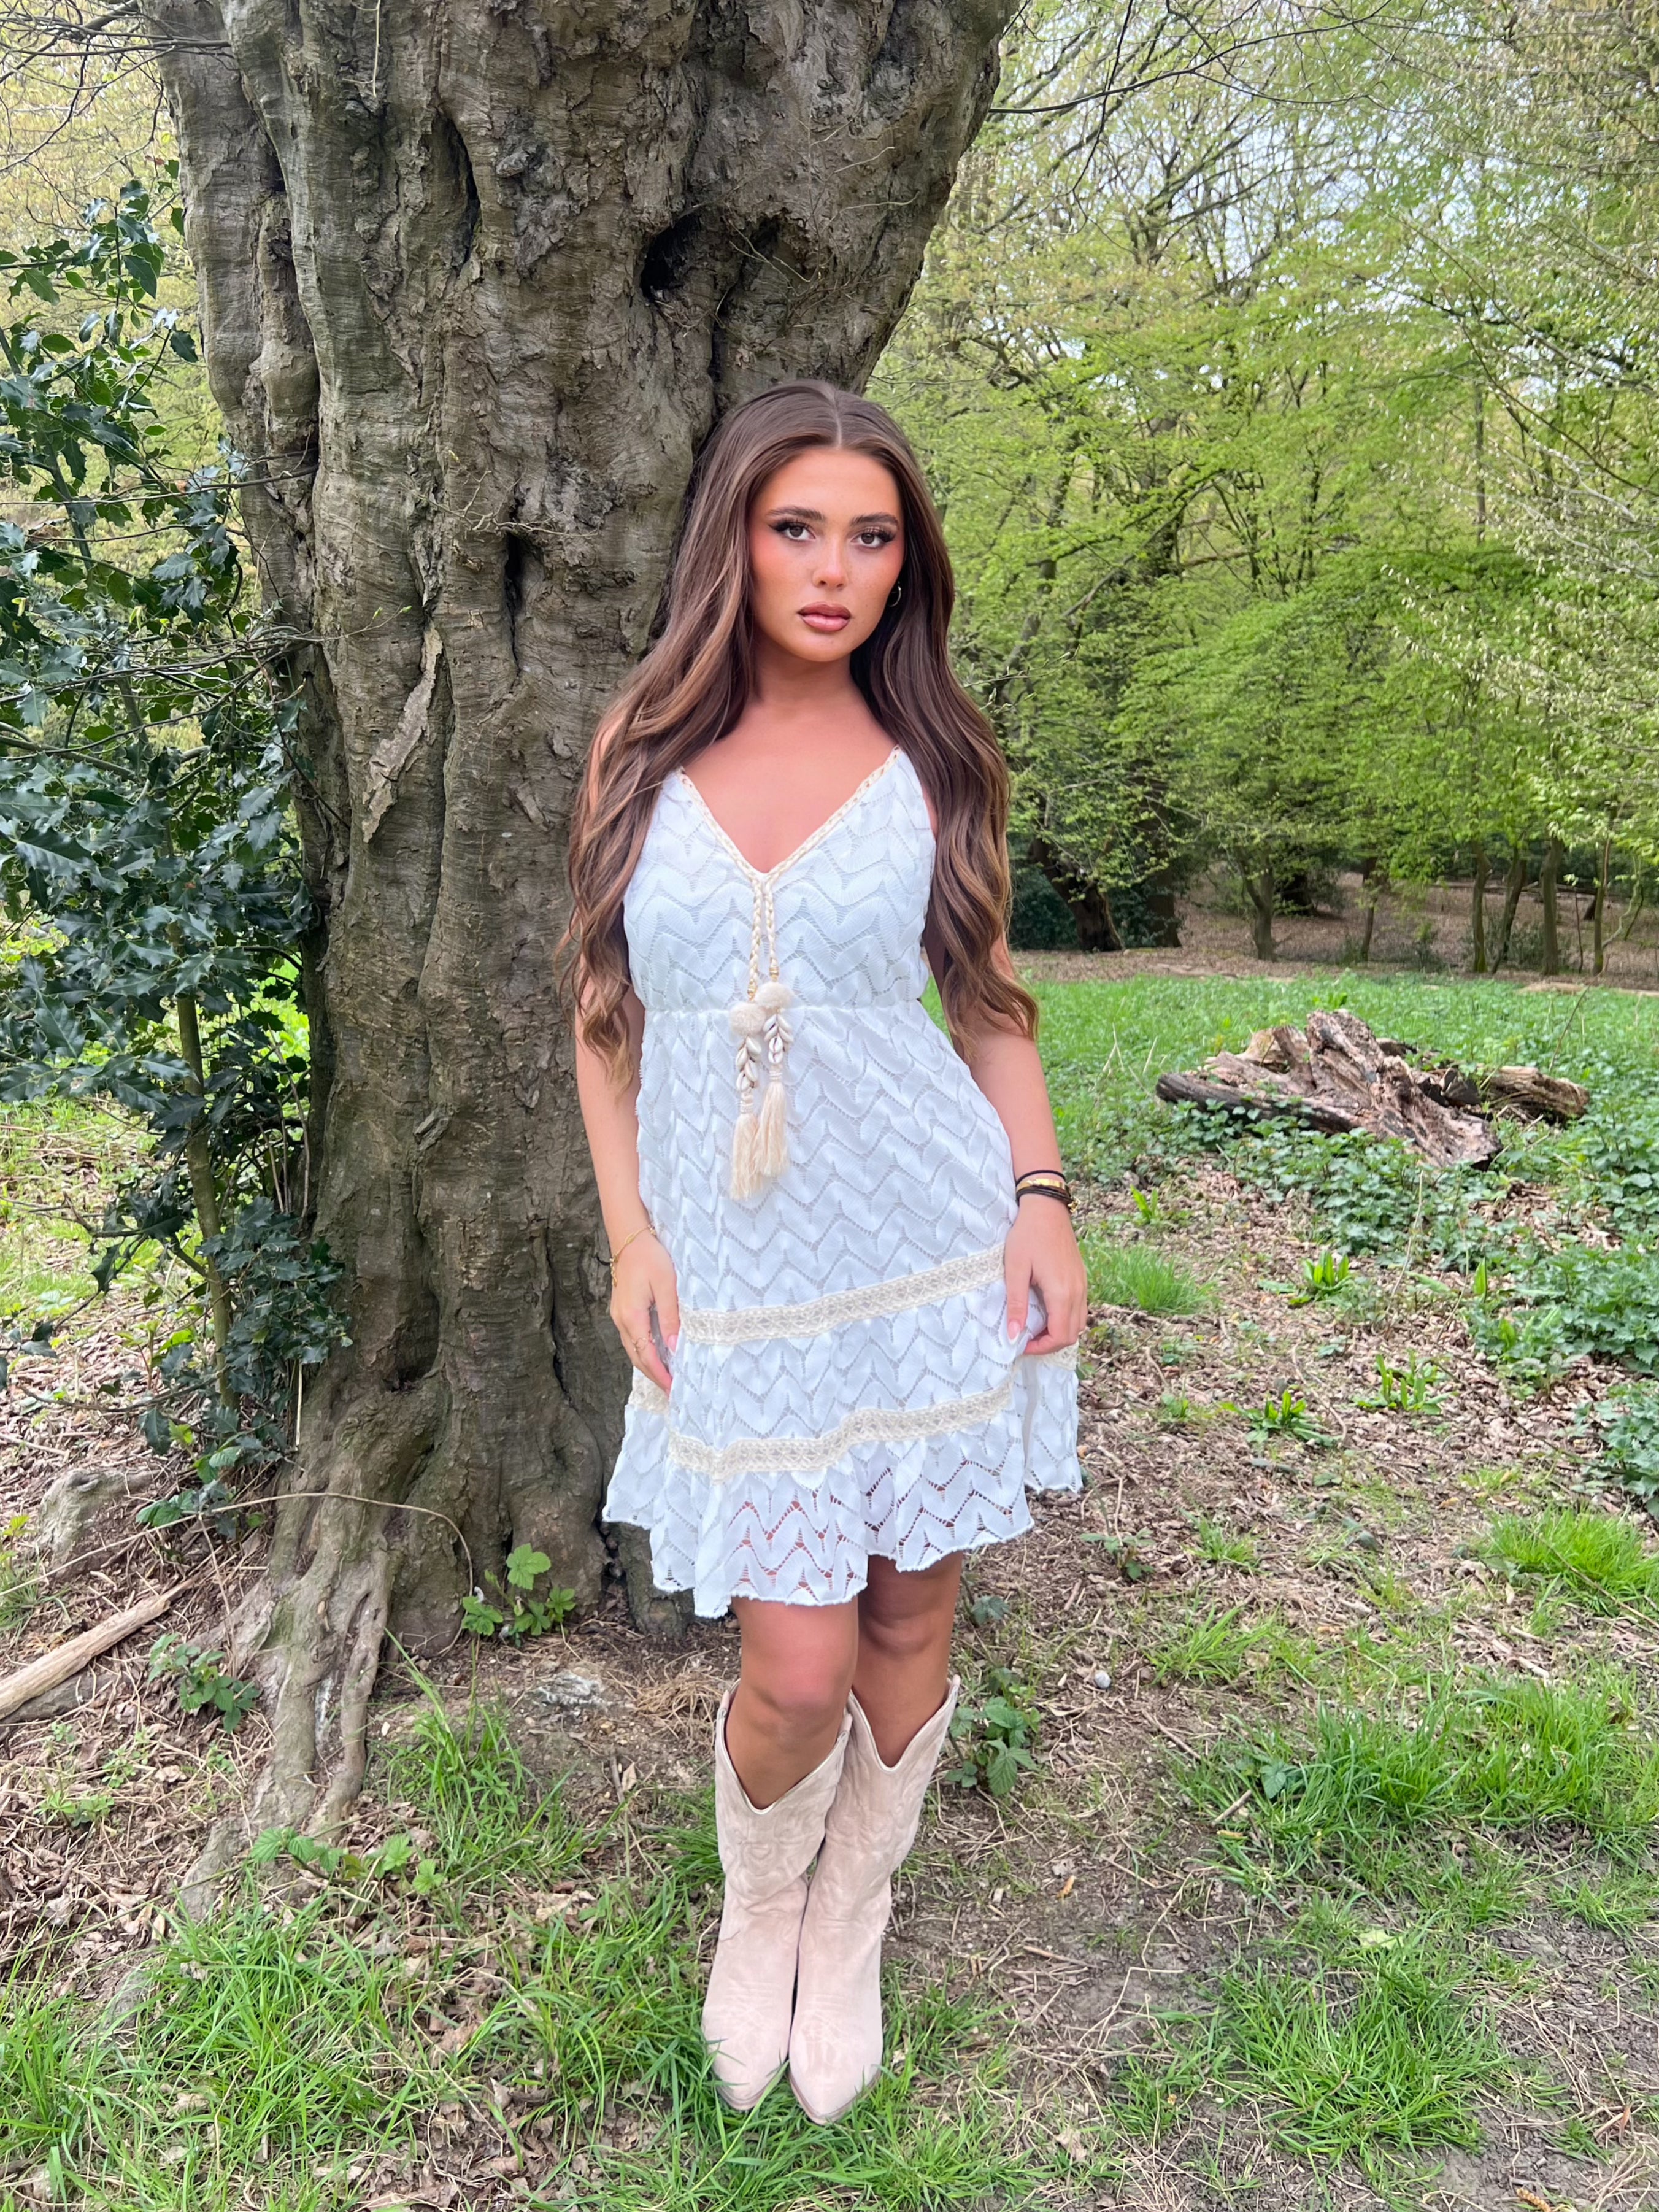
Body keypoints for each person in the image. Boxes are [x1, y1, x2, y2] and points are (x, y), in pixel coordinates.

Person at [563, 380, 1087, 2125]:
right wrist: (630, 1234)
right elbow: (604, 1017)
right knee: (793, 1664)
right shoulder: (640, 751)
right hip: (738, 1281)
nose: (835, 568)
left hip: (929, 1247)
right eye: (798, 528)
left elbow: (989, 1003)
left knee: (914, 1602)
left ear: (904, 564)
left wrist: (1041, 1196)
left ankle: (847, 1919)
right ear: (735, 540)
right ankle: (760, 1904)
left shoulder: (940, 759)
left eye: (872, 537)